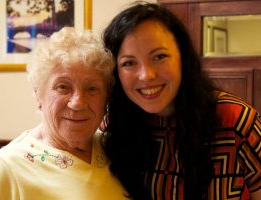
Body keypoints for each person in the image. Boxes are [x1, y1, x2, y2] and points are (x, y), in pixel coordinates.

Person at [102, 2, 261, 200]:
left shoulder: (237, 121)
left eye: (159, 56)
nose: (146, 75)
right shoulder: (113, 126)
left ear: (182, 58)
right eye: (129, 63)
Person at [0, 27, 128, 200]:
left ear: (106, 99)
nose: (77, 103)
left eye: (92, 89)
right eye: (63, 87)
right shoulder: (8, 167)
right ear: (39, 94)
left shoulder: (114, 148)